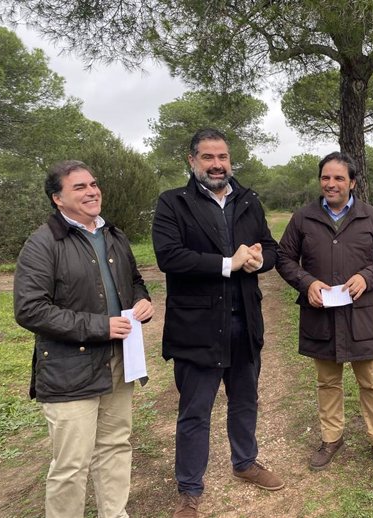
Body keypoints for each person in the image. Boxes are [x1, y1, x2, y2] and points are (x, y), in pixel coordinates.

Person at [152, 128, 283, 518]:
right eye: (207, 157)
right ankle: (190, 489)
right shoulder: (173, 203)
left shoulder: (248, 200)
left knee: (245, 400)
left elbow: (270, 246)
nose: (216, 164)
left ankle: (245, 463)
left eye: (222, 156)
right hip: (197, 328)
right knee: (195, 411)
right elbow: (170, 258)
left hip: (245, 321)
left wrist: (262, 260)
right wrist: (229, 264)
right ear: (191, 161)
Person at [13, 160, 155, 518]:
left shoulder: (113, 234)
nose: (92, 191)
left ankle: (115, 513)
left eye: (94, 184)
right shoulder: (43, 243)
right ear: (57, 199)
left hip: (118, 362)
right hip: (68, 370)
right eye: (80, 187)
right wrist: (100, 326)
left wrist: (142, 300)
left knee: (114, 446)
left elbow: (135, 279)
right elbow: (29, 309)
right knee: (71, 464)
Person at [277, 151, 373, 475]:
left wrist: (367, 277)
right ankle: (332, 438)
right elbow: (284, 258)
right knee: (327, 381)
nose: (330, 184)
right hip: (321, 316)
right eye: (325, 178)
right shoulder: (303, 218)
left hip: (362, 317)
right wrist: (306, 283)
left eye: (338, 178)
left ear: (352, 182)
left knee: (372, 382)